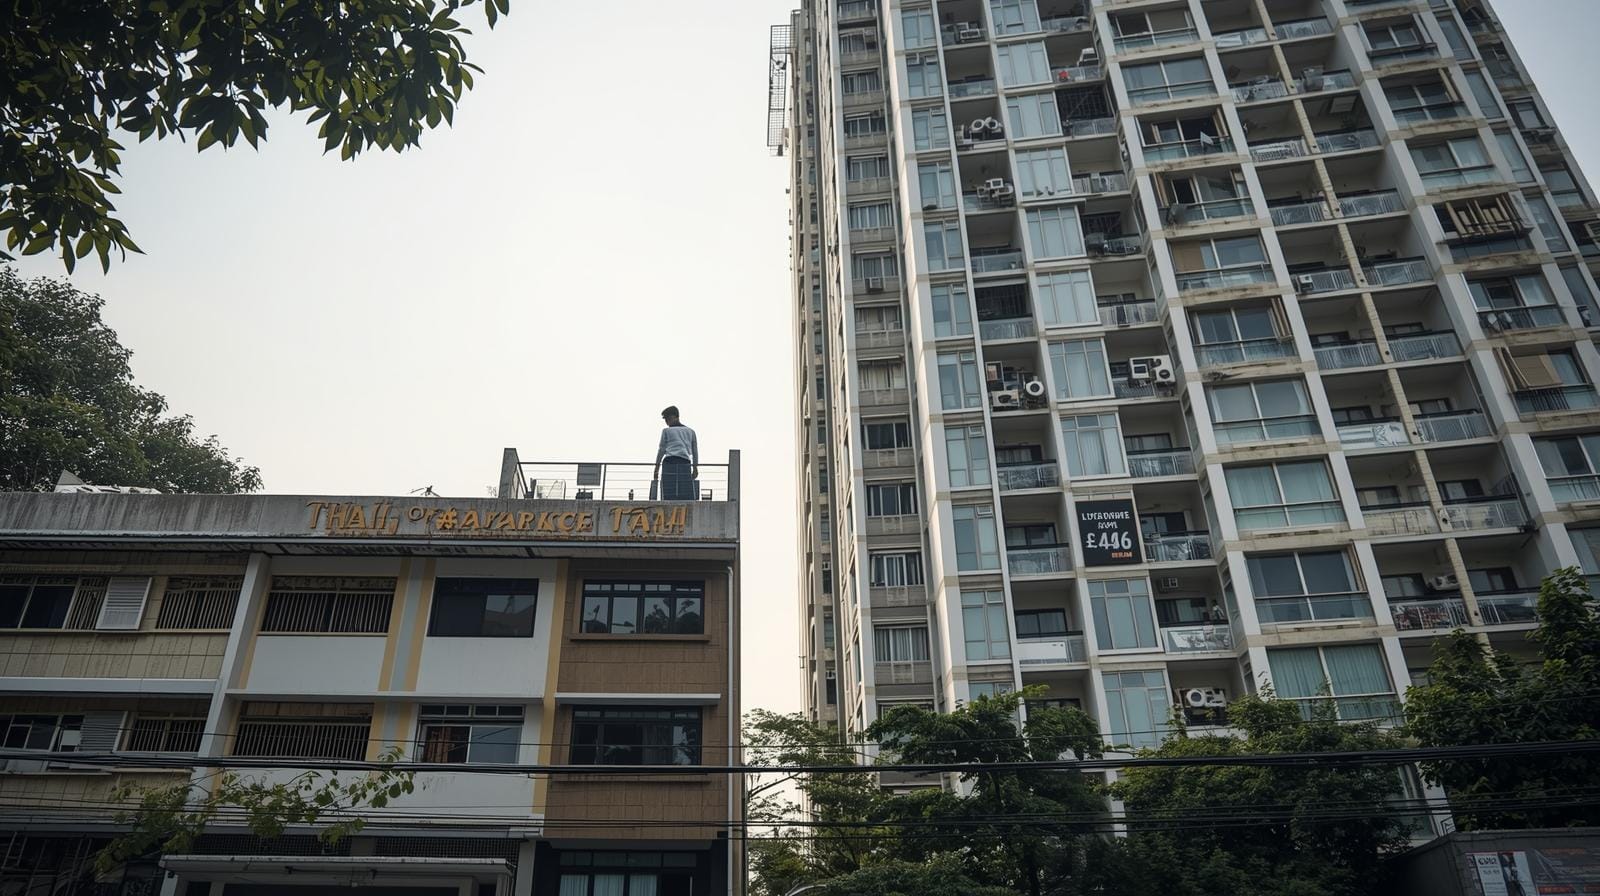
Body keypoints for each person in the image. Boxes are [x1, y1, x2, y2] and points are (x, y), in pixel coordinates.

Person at [655, 406, 699, 501]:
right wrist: (695, 467)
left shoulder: (666, 431)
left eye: (668, 419)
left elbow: (661, 450)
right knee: (686, 491)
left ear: (676, 417)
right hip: (685, 462)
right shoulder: (690, 431)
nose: (667, 422)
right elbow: (695, 451)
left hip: (669, 461)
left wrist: (656, 468)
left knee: (668, 491)